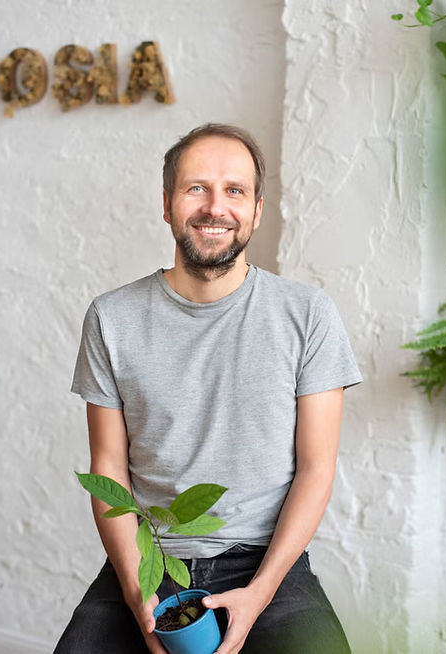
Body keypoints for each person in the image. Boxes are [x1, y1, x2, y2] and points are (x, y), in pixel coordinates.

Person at [57, 123, 361, 654]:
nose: (215, 206)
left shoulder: (308, 315)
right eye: (196, 187)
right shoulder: (112, 318)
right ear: (167, 205)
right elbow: (108, 469)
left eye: (234, 190)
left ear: (257, 210)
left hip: (267, 562)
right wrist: (137, 592)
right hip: (152, 557)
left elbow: (317, 469)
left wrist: (260, 592)